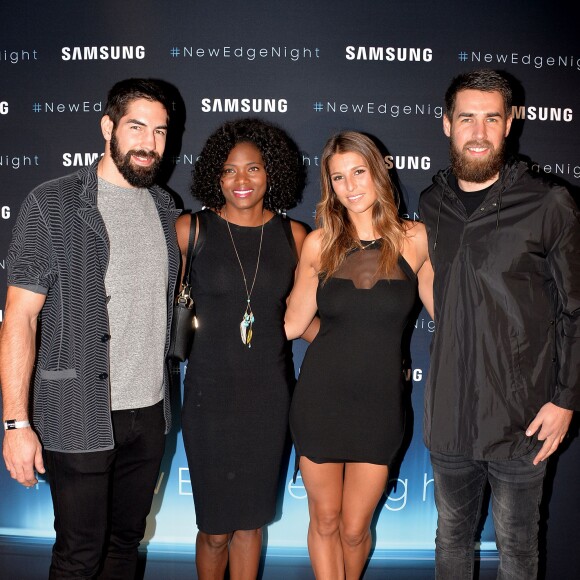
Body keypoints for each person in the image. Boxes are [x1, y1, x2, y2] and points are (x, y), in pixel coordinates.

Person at [0, 78, 181, 578]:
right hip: (76, 410)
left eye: (161, 132)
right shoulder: (53, 203)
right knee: (79, 554)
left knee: (125, 545)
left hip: (148, 415)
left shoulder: (165, 208)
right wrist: (16, 424)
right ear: (108, 127)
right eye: (136, 127)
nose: (149, 144)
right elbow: (19, 317)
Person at [419, 69, 580, 579]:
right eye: (467, 117)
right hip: (449, 416)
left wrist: (566, 399)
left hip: (523, 419)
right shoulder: (432, 203)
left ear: (510, 123)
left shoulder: (548, 202)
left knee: (517, 551)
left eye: (492, 118)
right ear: (447, 124)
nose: (479, 131)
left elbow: (577, 308)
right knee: (450, 543)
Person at [285, 131, 433, 580]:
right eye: (338, 177)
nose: (350, 186)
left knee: (353, 529)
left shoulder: (418, 239)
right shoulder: (319, 244)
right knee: (325, 520)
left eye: (359, 172)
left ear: (380, 170)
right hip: (319, 400)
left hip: (379, 405)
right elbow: (291, 324)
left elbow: (447, 312)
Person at [176, 118, 310, 579]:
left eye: (253, 169)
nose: (241, 181)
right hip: (207, 398)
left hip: (268, 399)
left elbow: (305, 320)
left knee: (251, 525)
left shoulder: (295, 238)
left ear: (271, 173)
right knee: (214, 529)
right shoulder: (191, 230)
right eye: (230, 170)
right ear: (216, 174)